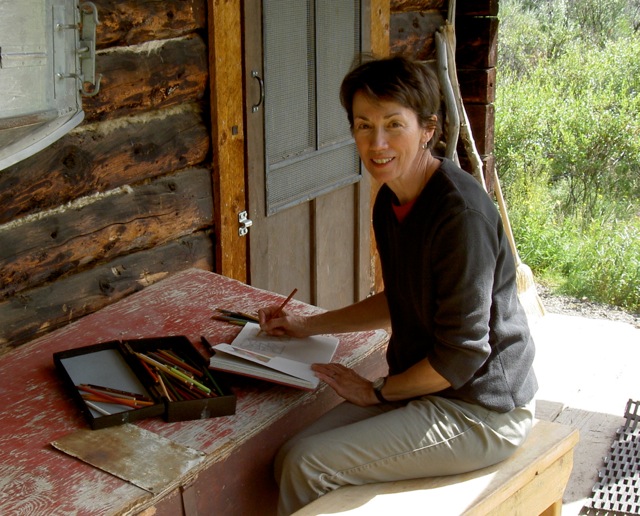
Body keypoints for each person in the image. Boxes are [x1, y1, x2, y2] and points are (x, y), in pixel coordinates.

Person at [258, 55, 538, 516]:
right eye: (364, 126)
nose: (377, 142)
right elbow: (401, 299)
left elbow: (463, 354)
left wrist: (379, 391)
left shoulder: (457, 216)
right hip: (429, 390)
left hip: (481, 411)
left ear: (427, 128)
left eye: (394, 124)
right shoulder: (392, 199)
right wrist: (306, 325)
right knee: (288, 456)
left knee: (308, 465)